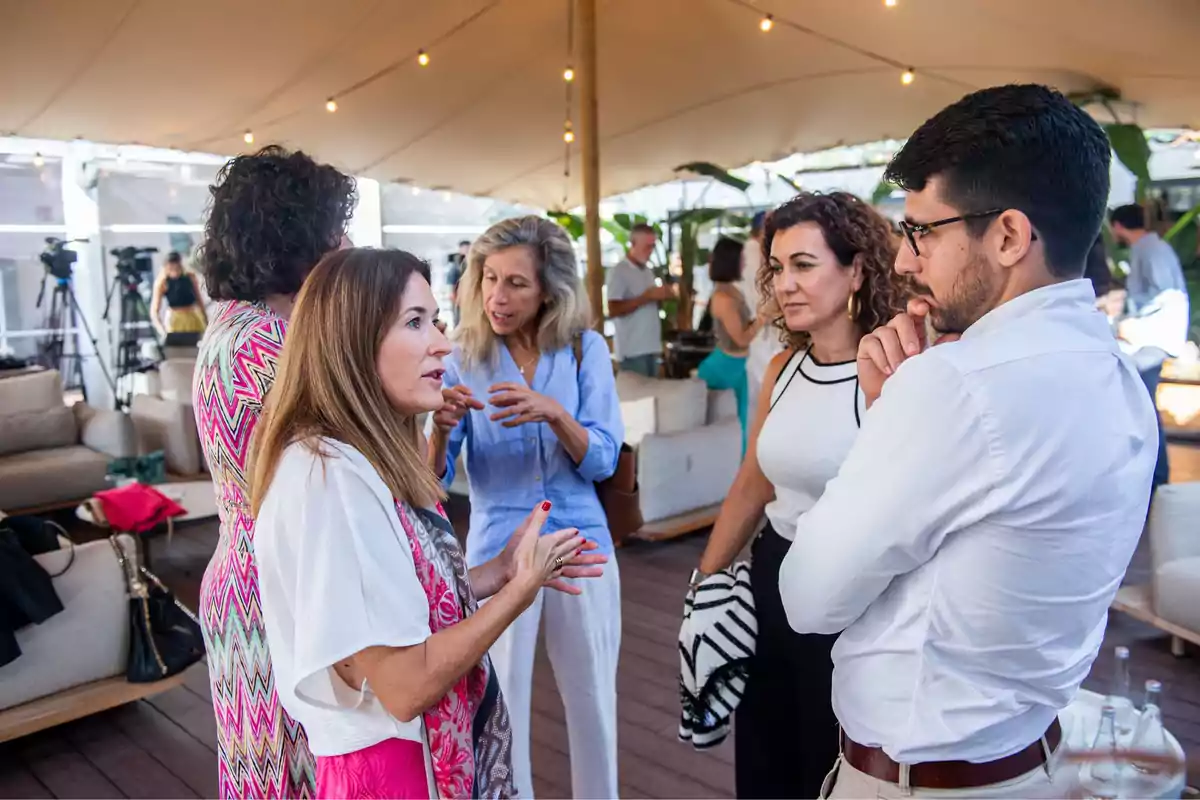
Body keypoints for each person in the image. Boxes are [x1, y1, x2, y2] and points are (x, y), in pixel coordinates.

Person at [778, 85, 1159, 799]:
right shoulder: (1116, 376)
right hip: (1030, 762)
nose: (904, 261)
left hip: (919, 781)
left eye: (923, 230)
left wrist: (887, 416)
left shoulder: (955, 386)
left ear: (1008, 236)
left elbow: (807, 598)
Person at [250, 248, 606, 798]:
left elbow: (390, 600)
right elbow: (403, 684)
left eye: (436, 319)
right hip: (391, 770)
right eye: (416, 322)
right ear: (352, 339)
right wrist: (521, 592)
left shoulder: (349, 459)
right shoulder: (329, 475)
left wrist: (500, 572)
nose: (442, 341)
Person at [693, 192, 906, 799]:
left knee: (832, 759)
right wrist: (704, 586)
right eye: (778, 267)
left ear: (858, 269)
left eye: (804, 265)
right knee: (766, 758)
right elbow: (752, 482)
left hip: (855, 598)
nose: (784, 284)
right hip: (771, 578)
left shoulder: (896, 373)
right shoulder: (784, 366)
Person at [427, 216, 624, 799]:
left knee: (593, 699)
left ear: (549, 292)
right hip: (498, 552)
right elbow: (431, 483)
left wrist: (555, 413)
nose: (496, 295)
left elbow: (605, 460)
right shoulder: (462, 357)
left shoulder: (585, 350)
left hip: (580, 546)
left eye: (516, 282)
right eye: (488, 278)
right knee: (500, 702)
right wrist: (438, 430)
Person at [192, 145, 357, 798]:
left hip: (249, 575)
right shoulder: (270, 348)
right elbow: (351, 463)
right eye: (334, 229)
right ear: (300, 236)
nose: (344, 243)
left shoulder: (234, 329)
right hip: (277, 590)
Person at [1109, 203, 1189, 491]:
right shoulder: (1150, 248)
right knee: (1140, 403)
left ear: (1117, 226)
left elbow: (1164, 294)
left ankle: (1156, 476)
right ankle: (1153, 476)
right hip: (1152, 337)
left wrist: (1126, 314)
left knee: (1140, 404)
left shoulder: (1149, 250)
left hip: (1152, 338)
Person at [696, 236, 762, 452]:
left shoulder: (731, 291)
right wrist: (764, 317)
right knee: (736, 426)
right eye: (742, 258)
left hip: (736, 365)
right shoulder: (724, 298)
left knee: (742, 425)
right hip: (724, 366)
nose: (744, 262)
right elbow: (741, 338)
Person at [607, 222, 673, 376]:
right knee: (638, 399)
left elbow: (650, 305)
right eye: (646, 246)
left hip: (651, 346)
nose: (650, 251)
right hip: (632, 350)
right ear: (633, 244)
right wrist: (645, 298)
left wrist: (663, 296)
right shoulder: (619, 271)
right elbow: (613, 309)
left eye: (652, 246)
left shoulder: (647, 271)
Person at [741, 211, 785, 413]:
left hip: (762, 336)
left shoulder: (756, 255)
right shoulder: (752, 256)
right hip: (759, 335)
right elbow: (762, 302)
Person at [150, 251, 207, 336]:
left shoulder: (190, 277)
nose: (175, 271)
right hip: (174, 320)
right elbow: (154, 311)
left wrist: (206, 320)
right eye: (171, 268)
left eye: (177, 268)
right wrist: (161, 329)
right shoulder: (162, 282)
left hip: (193, 317)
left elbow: (200, 301)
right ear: (166, 267)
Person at [447, 239, 471, 327]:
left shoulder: (472, 262)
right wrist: (453, 294)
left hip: (469, 294)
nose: (466, 250)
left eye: (468, 248)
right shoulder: (456, 264)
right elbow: (452, 281)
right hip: (458, 294)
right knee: (457, 316)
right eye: (464, 248)